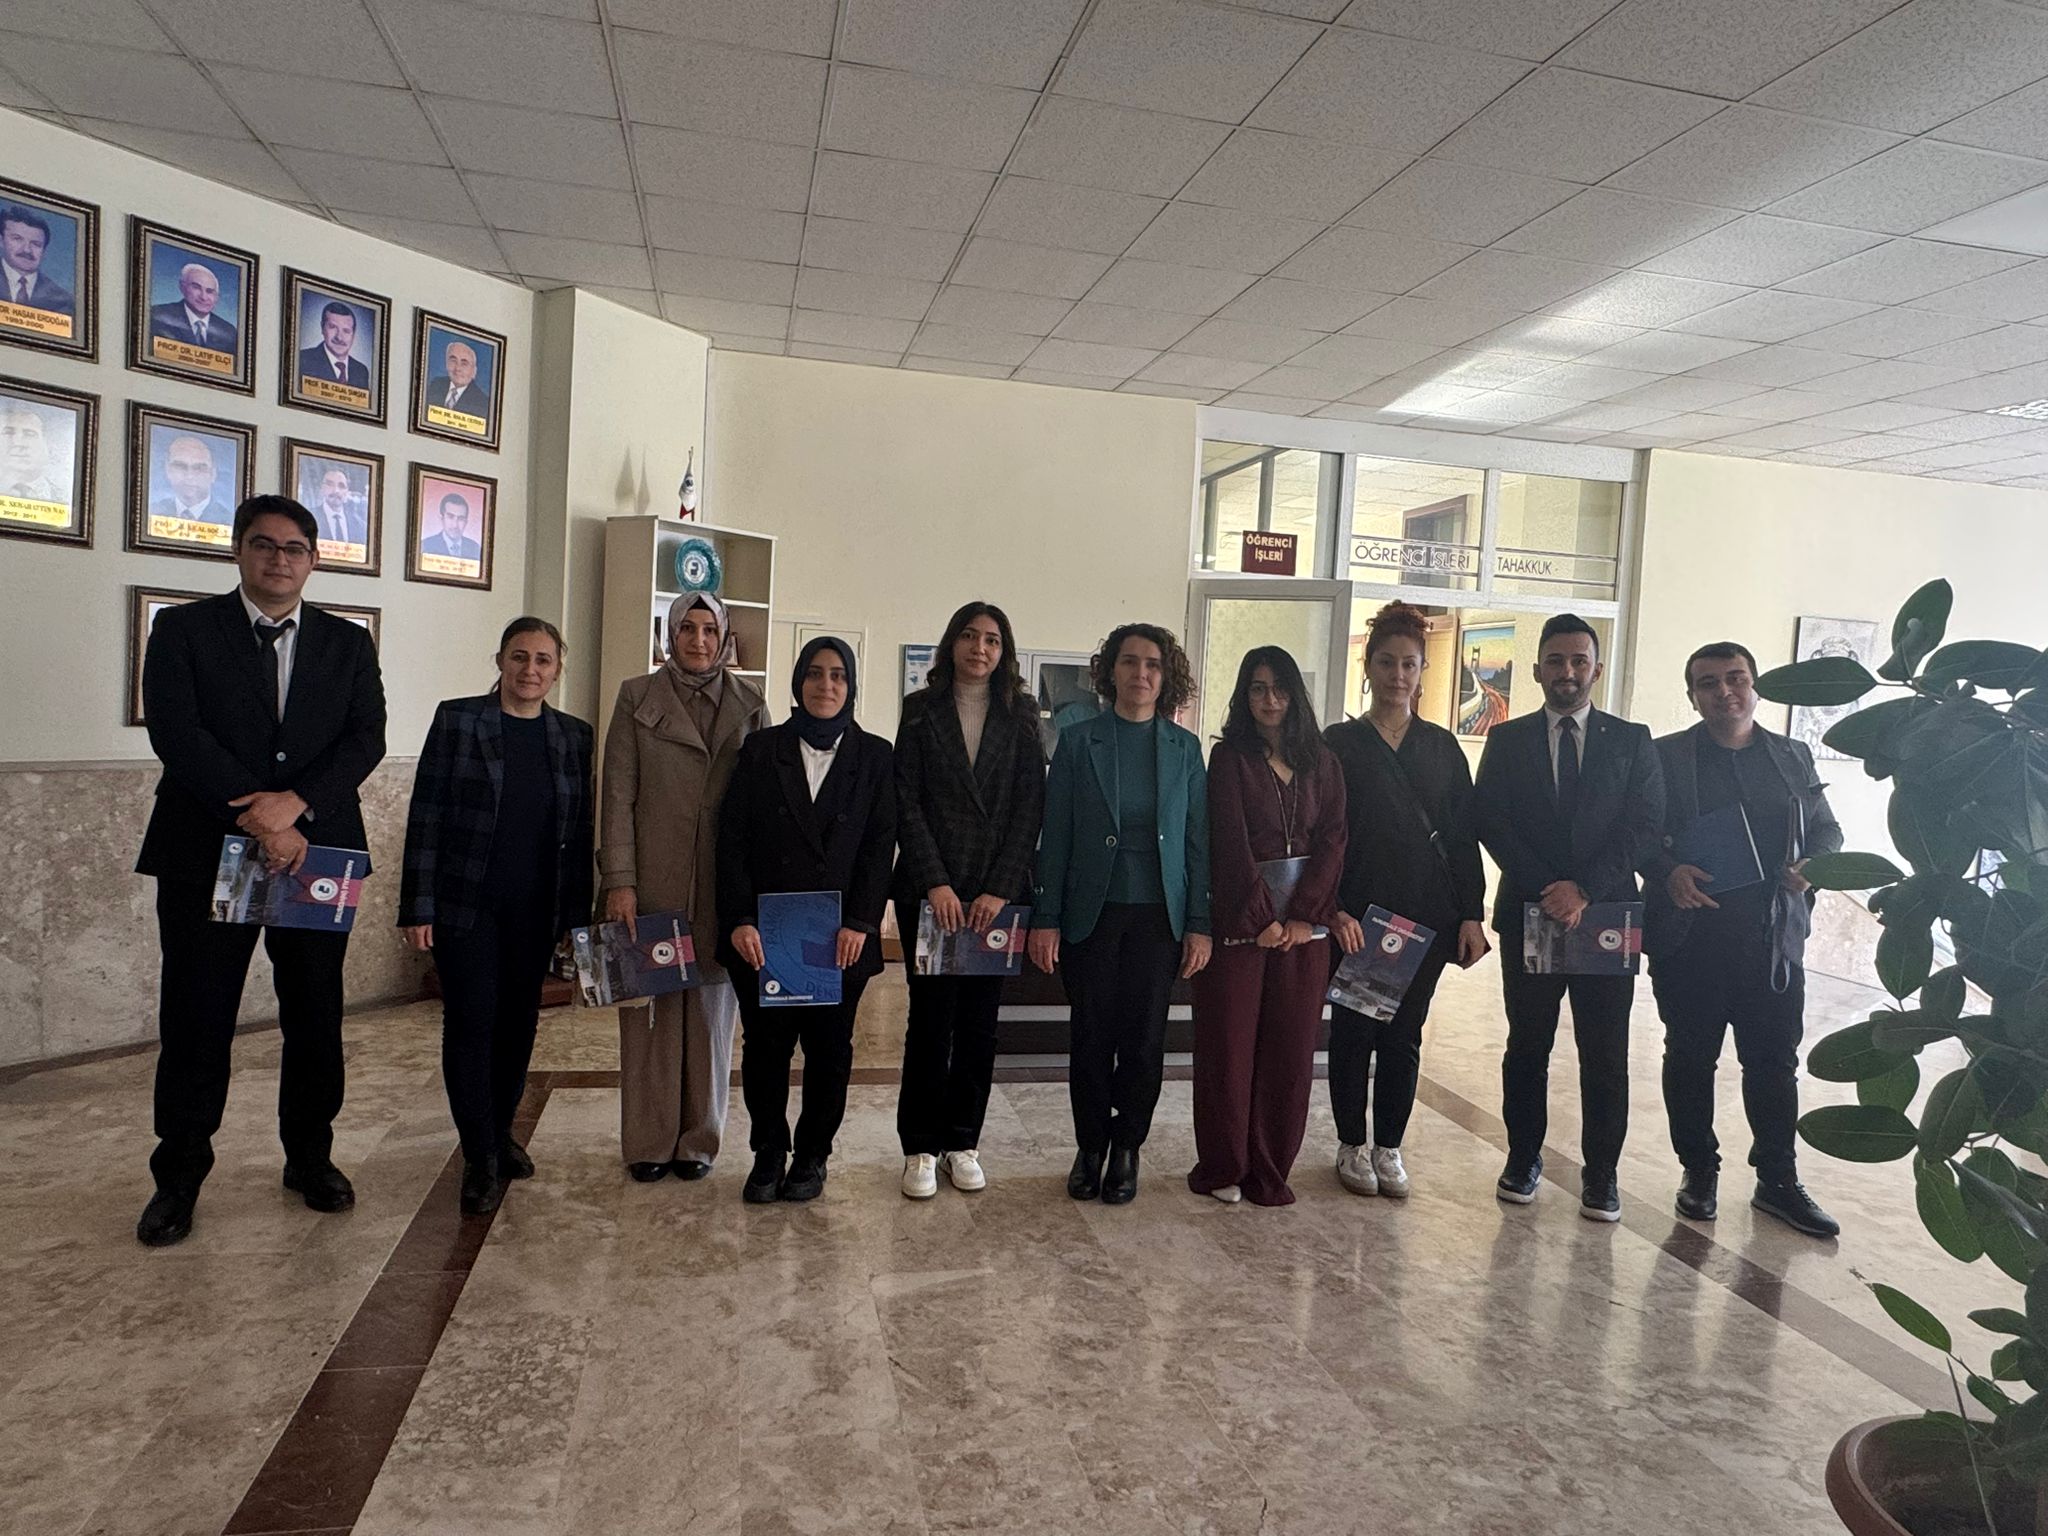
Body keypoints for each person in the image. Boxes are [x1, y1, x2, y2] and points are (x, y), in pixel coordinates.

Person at [133, 494, 388, 1247]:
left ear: (314, 560)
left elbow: (366, 737)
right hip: (205, 849)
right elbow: (176, 732)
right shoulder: (183, 630)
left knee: (315, 1012)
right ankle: (178, 1178)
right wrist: (260, 813)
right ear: (239, 552)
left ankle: (310, 1158)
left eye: (294, 548)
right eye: (264, 545)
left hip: (317, 852)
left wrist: (297, 806)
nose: (280, 559)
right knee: (197, 1016)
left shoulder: (348, 643)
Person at [1644, 642, 1844, 1238]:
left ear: (1755, 687)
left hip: (1772, 940)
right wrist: (1667, 872)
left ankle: (1778, 1180)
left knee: (1774, 1063)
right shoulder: (1666, 758)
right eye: (1708, 683)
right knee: (1690, 1058)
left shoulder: (1792, 756)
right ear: (1692, 697)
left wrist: (1814, 865)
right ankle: (1698, 1171)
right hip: (1691, 940)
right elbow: (1638, 835)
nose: (1724, 691)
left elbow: (1828, 831)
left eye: (1736, 678)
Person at [398, 618, 594, 1215]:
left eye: (543, 660)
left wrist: (576, 917)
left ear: (557, 670)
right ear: (501, 661)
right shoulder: (459, 720)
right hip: (466, 907)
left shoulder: (574, 736)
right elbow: (426, 815)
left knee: (518, 1024)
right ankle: (478, 1155)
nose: (530, 670)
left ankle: (500, 1130)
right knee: (471, 1022)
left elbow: (579, 831)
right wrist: (417, 904)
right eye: (519, 657)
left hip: (535, 909)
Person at [1474, 613, 1663, 1222]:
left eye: (1579, 660)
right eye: (1556, 660)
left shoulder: (1632, 741)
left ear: (1596, 670)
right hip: (1529, 916)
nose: (1568, 671)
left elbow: (1644, 826)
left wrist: (1582, 889)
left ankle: (1601, 1174)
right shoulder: (1507, 740)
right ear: (1536, 670)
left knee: (1604, 1053)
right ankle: (1522, 1158)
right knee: (1527, 1046)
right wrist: (1548, 890)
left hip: (1605, 919)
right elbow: (1491, 821)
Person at [1030, 622, 1211, 1206]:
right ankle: (1090, 1146)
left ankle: (1127, 1145)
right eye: (1130, 662)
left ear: (1166, 676)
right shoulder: (1079, 742)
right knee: (1090, 1036)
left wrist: (1200, 923)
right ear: (1111, 671)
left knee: (1143, 1040)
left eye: (1153, 664)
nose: (1141, 673)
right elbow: (1056, 835)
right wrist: (1046, 917)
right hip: (1092, 914)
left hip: (1159, 918)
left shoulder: (1185, 749)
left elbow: (1197, 844)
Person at [718, 637, 896, 1204]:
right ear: (798, 682)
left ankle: (813, 1155)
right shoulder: (760, 749)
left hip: (840, 937)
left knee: (830, 1051)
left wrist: (862, 921)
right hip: (765, 936)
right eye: (815, 673)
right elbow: (732, 840)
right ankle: (768, 1152)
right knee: (766, 1050)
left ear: (851, 686)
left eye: (838, 675)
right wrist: (740, 918)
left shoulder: (875, 756)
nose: (826, 685)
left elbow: (880, 846)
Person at [599, 594, 770, 1183]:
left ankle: (699, 1139)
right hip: (653, 880)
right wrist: (619, 880)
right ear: (669, 635)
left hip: (723, 884)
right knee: (651, 1016)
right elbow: (617, 794)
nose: (699, 640)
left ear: (724, 637)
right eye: (687, 629)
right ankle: (649, 1141)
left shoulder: (751, 702)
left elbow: (765, 801)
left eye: (709, 630)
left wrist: (757, 895)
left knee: (711, 1015)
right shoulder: (635, 696)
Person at [1323, 602, 1489, 1199]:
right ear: (1368, 668)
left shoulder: (1442, 748)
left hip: (1426, 916)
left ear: (1422, 671)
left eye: (1409, 664)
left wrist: (1471, 913)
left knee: (1404, 1035)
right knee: (1353, 1033)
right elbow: (1323, 834)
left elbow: (1463, 836)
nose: (1398, 675)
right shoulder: (1339, 744)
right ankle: (1350, 1142)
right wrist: (1333, 906)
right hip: (1361, 918)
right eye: (1387, 663)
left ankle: (1388, 1145)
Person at [891, 601, 1046, 1199]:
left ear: (1004, 652)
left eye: (992, 640)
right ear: (951, 643)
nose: (980, 648)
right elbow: (905, 801)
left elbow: (1030, 808)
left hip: (993, 901)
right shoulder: (920, 710)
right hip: (931, 896)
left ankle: (963, 1141)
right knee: (930, 1024)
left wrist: (999, 889)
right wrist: (936, 883)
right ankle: (920, 1147)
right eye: (970, 636)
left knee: (980, 1025)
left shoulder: (1022, 716)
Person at [1188, 646, 1345, 1207]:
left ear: (1295, 694)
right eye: (1257, 688)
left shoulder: (1324, 762)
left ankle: (1270, 1169)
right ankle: (1224, 1165)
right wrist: (1260, 919)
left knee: (1291, 1053)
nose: (1269, 699)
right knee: (1227, 1050)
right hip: (1241, 930)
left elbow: (1334, 840)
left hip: (1304, 935)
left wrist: (1303, 916)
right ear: (1243, 695)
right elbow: (1227, 841)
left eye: (1278, 688)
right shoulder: (1229, 758)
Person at [148, 261, 239, 355]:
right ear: (182, 287)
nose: (203, 297)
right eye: (196, 287)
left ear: (216, 297)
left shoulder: (228, 332)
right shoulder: (156, 315)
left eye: (209, 291)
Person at [1, 205, 73, 314]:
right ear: (1, 241)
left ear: (44, 250)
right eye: (17, 239)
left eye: (36, 244)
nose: (27, 250)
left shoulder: (63, 300)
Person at [150, 433, 233, 526]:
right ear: (168, 470)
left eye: (199, 468)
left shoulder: (228, 521)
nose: (189, 476)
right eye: (180, 466)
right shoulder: (152, 512)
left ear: (213, 473)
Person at [297, 299, 370, 391]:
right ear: (322, 328)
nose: (339, 337)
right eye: (332, 327)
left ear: (353, 335)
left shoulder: (361, 371)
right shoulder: (302, 359)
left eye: (346, 331)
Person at [0, 404, 62, 504]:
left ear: (47, 443)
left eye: (29, 434)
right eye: (8, 433)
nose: (18, 443)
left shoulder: (64, 497)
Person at [427, 340, 490, 419]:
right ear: (446, 364)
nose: (457, 368)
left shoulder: (483, 402)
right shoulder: (436, 384)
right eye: (453, 361)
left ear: (474, 371)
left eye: (464, 364)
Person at [309, 466, 367, 548]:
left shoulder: (360, 526)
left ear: (347, 491)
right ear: (322, 488)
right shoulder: (309, 518)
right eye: (330, 484)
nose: (336, 490)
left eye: (341, 486)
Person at [419, 493, 481, 562]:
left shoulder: (475, 549)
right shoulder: (426, 546)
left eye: (461, 519)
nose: (455, 525)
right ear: (441, 518)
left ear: (466, 522)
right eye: (450, 517)